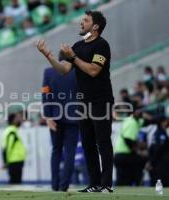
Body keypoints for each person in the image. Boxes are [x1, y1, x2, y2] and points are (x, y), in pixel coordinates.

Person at [36, 10, 114, 192]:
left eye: (85, 20)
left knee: (103, 142)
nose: (81, 23)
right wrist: (48, 55)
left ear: (95, 26)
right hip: (83, 102)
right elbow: (64, 69)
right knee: (87, 143)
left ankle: (106, 184)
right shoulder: (78, 46)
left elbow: (93, 70)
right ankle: (94, 183)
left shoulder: (102, 45)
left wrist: (73, 57)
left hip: (101, 100)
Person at [41, 52, 79, 192]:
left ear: (58, 58)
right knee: (70, 153)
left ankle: (54, 185)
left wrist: (48, 117)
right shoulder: (77, 72)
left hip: (55, 117)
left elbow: (45, 94)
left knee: (56, 151)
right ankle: (64, 187)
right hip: (74, 118)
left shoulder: (49, 72)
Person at [2, 112, 26, 184]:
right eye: (17, 119)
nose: (20, 120)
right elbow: (7, 148)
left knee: (15, 182)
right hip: (14, 161)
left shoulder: (12, 130)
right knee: (15, 182)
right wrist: (6, 162)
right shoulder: (11, 131)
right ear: (13, 120)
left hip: (15, 161)